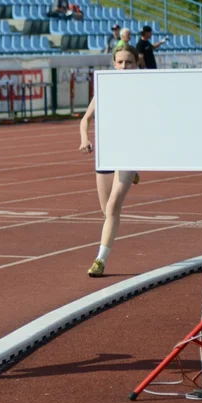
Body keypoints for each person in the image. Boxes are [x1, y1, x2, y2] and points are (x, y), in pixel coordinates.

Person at [78, 44, 142, 278]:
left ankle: (100, 260)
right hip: (106, 153)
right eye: (121, 62)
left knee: (114, 205)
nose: (125, 67)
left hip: (129, 152)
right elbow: (85, 119)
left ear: (137, 64)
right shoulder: (105, 88)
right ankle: (128, 175)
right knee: (107, 212)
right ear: (114, 64)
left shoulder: (145, 89)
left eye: (130, 62)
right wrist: (85, 138)